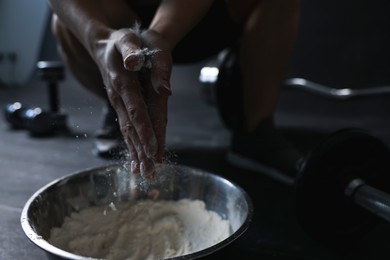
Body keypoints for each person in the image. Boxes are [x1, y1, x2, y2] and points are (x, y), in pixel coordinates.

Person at [48, 0, 302, 184]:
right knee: (66, 22)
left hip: (199, 13)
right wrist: (98, 39)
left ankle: (255, 128)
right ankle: (119, 103)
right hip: (120, 16)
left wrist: (162, 34)